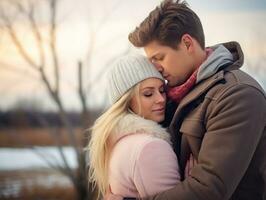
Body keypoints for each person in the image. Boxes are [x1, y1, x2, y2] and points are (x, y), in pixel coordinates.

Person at [106, 0, 266, 200]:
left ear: (187, 43)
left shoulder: (237, 95)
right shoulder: (172, 94)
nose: (156, 68)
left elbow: (207, 191)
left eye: (160, 57)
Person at [87, 54, 181, 199]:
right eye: (148, 94)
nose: (161, 99)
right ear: (127, 101)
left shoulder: (119, 141)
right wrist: (197, 182)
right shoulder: (151, 147)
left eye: (162, 90)